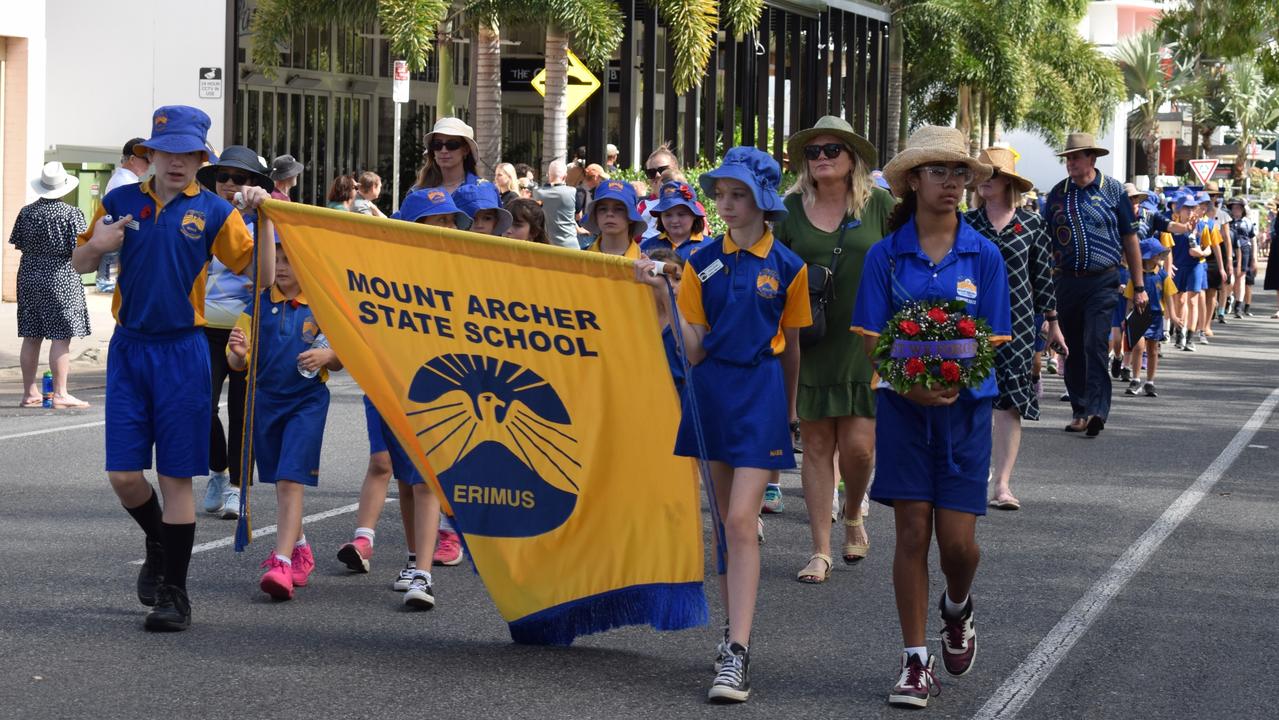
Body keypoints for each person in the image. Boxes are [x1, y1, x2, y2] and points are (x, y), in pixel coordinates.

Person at [71, 105, 274, 632]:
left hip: (184, 352)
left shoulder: (212, 210)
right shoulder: (118, 200)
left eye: (189, 154)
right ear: (151, 154)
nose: (178, 162)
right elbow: (80, 263)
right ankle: (159, 540)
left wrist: (268, 218)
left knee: (175, 478)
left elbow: (262, 276)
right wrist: (99, 243)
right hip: (130, 351)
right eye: (168, 152)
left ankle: (175, 594)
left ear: (200, 158)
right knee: (122, 476)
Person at [636, 146, 809, 704]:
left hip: (760, 395)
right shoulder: (701, 263)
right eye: (723, 195)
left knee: (740, 520)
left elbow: (793, 349)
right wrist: (666, 306)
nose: (727, 205)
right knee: (723, 527)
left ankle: (736, 651)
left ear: (762, 200)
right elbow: (695, 351)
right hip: (710, 395)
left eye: (738, 195)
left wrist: (789, 412)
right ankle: (732, 642)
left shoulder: (790, 267)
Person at [851, 125, 1010, 709]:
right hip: (902, 412)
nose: (951, 183)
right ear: (913, 180)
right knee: (913, 531)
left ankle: (957, 607)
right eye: (938, 171)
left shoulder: (984, 253)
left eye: (959, 172)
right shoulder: (884, 256)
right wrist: (911, 385)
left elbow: (992, 338)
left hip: (966, 415)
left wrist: (951, 380)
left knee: (958, 545)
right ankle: (915, 662)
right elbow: (871, 338)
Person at [773, 116, 892, 581]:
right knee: (818, 444)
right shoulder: (788, 209)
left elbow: (906, 256)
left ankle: (854, 513)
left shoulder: (879, 204)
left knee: (860, 449)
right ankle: (820, 549)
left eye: (831, 151)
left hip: (865, 340)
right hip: (809, 341)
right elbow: (772, 269)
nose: (821, 158)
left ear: (852, 160)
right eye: (813, 152)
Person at [337, 188, 463, 604]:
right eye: (437, 220)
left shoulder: (455, 268)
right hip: (387, 383)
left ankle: (424, 574)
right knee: (407, 480)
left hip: (435, 386)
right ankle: (414, 560)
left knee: (426, 478)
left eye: (449, 220)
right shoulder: (385, 272)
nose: (446, 227)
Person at [227, 239, 342, 600]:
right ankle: (301, 548)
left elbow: (341, 356)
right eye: (275, 259)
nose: (280, 266)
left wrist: (327, 355)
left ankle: (281, 561)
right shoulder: (256, 305)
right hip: (265, 401)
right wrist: (238, 353)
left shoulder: (322, 304)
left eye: (289, 260)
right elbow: (237, 364)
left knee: (291, 481)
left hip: (306, 401)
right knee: (280, 482)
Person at [965, 147, 1064, 511]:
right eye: (983, 174)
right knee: (973, 399)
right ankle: (976, 474)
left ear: (1009, 182)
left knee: (1010, 404)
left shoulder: (1032, 223)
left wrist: (1052, 324)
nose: (986, 180)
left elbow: (1042, 278)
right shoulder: (967, 223)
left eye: (993, 174)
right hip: (972, 321)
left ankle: (1003, 485)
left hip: (1020, 322)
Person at [1042, 132, 1144, 438]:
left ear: (1092, 159)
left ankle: (1098, 410)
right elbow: (1046, 242)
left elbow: (1130, 238)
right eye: (1068, 158)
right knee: (1070, 346)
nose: (1071, 162)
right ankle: (1080, 409)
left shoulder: (1114, 191)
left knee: (1095, 342)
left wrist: (1138, 286)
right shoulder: (1057, 194)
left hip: (1104, 280)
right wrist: (1044, 286)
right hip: (1066, 281)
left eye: (1076, 157)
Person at [194, 146, 275, 520]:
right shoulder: (202, 216)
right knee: (200, 407)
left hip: (249, 327)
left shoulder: (268, 221)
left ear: (254, 185)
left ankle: (239, 489)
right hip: (203, 328)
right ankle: (218, 473)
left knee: (245, 412)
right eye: (223, 177)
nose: (229, 184)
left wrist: (264, 216)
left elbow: (278, 274)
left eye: (239, 178)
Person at [12, 161, 92, 410]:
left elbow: (19, 243)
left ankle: (29, 393)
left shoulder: (26, 212)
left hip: (29, 275)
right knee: (60, 336)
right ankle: (60, 393)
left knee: (31, 335)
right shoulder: (71, 213)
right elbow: (81, 248)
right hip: (60, 276)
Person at [1123, 239, 1179, 398]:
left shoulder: (1162, 275)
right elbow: (1129, 298)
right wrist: (1126, 317)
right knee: (1138, 347)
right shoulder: (1136, 275)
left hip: (1156, 316)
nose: (1161, 256)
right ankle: (1135, 379)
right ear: (1147, 256)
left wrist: (1173, 315)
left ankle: (1150, 382)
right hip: (1139, 315)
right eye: (1157, 254)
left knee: (1153, 350)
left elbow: (1168, 297)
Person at [98, 138, 150, 293]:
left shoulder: (123, 180)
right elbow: (130, 221)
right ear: (133, 159)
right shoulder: (124, 184)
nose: (150, 164)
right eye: (147, 159)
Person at [1168, 192, 1208, 351]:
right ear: (1178, 210)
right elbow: (1167, 248)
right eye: (1186, 209)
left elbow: (1208, 247)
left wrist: (1202, 253)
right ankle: (1179, 333)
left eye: (1192, 208)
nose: (1189, 212)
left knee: (1192, 301)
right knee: (1180, 301)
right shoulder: (1172, 226)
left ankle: (1190, 337)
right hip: (1178, 267)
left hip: (1195, 267)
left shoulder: (1202, 226)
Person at [639, 180, 708, 261]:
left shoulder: (709, 246)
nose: (674, 221)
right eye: (668, 215)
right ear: (660, 217)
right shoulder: (647, 248)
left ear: (694, 215)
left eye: (681, 214)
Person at [412, 117, 481, 195]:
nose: (443, 151)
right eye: (437, 145)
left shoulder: (482, 190)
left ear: (465, 150)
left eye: (452, 144)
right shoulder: (418, 192)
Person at [581, 179, 645, 257]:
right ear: (595, 216)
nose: (609, 213)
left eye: (619, 209)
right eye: (603, 209)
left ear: (631, 217)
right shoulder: (580, 259)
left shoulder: (647, 262)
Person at [533, 159, 580, 249]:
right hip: (570, 246)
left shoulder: (537, 193)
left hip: (547, 246)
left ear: (548, 175)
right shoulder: (573, 192)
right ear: (565, 176)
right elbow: (578, 216)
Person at [637, 146, 682, 237]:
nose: (657, 175)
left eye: (663, 170)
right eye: (651, 172)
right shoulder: (639, 205)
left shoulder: (691, 204)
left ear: (677, 171)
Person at [1226, 197, 1257, 317]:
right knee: (1231, 278)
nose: (1236, 210)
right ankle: (1228, 298)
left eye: (1239, 207)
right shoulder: (1227, 221)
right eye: (1234, 207)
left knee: (1241, 277)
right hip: (1230, 250)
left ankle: (1238, 306)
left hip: (1244, 251)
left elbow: (1252, 239)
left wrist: (1254, 258)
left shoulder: (1247, 222)